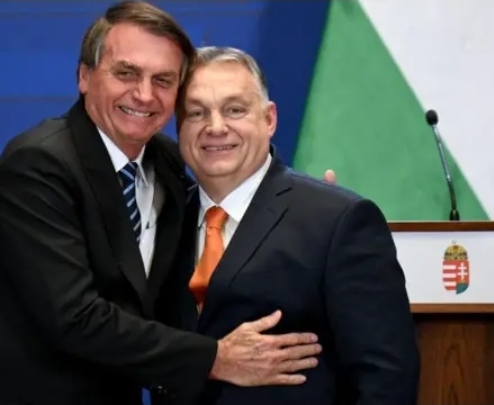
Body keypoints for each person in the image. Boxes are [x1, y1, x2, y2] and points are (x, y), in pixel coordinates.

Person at [0, 3, 337, 405]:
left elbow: (208, 239)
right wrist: (215, 359)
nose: (144, 94)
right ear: (84, 76)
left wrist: (301, 209)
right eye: (126, 73)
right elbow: (75, 318)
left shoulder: (166, 163)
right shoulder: (37, 166)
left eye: (163, 80)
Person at [153, 46, 420, 405]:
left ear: (269, 119)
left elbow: (386, 378)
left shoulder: (337, 220)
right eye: (197, 113)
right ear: (179, 127)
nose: (215, 127)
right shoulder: (163, 221)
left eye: (234, 110)